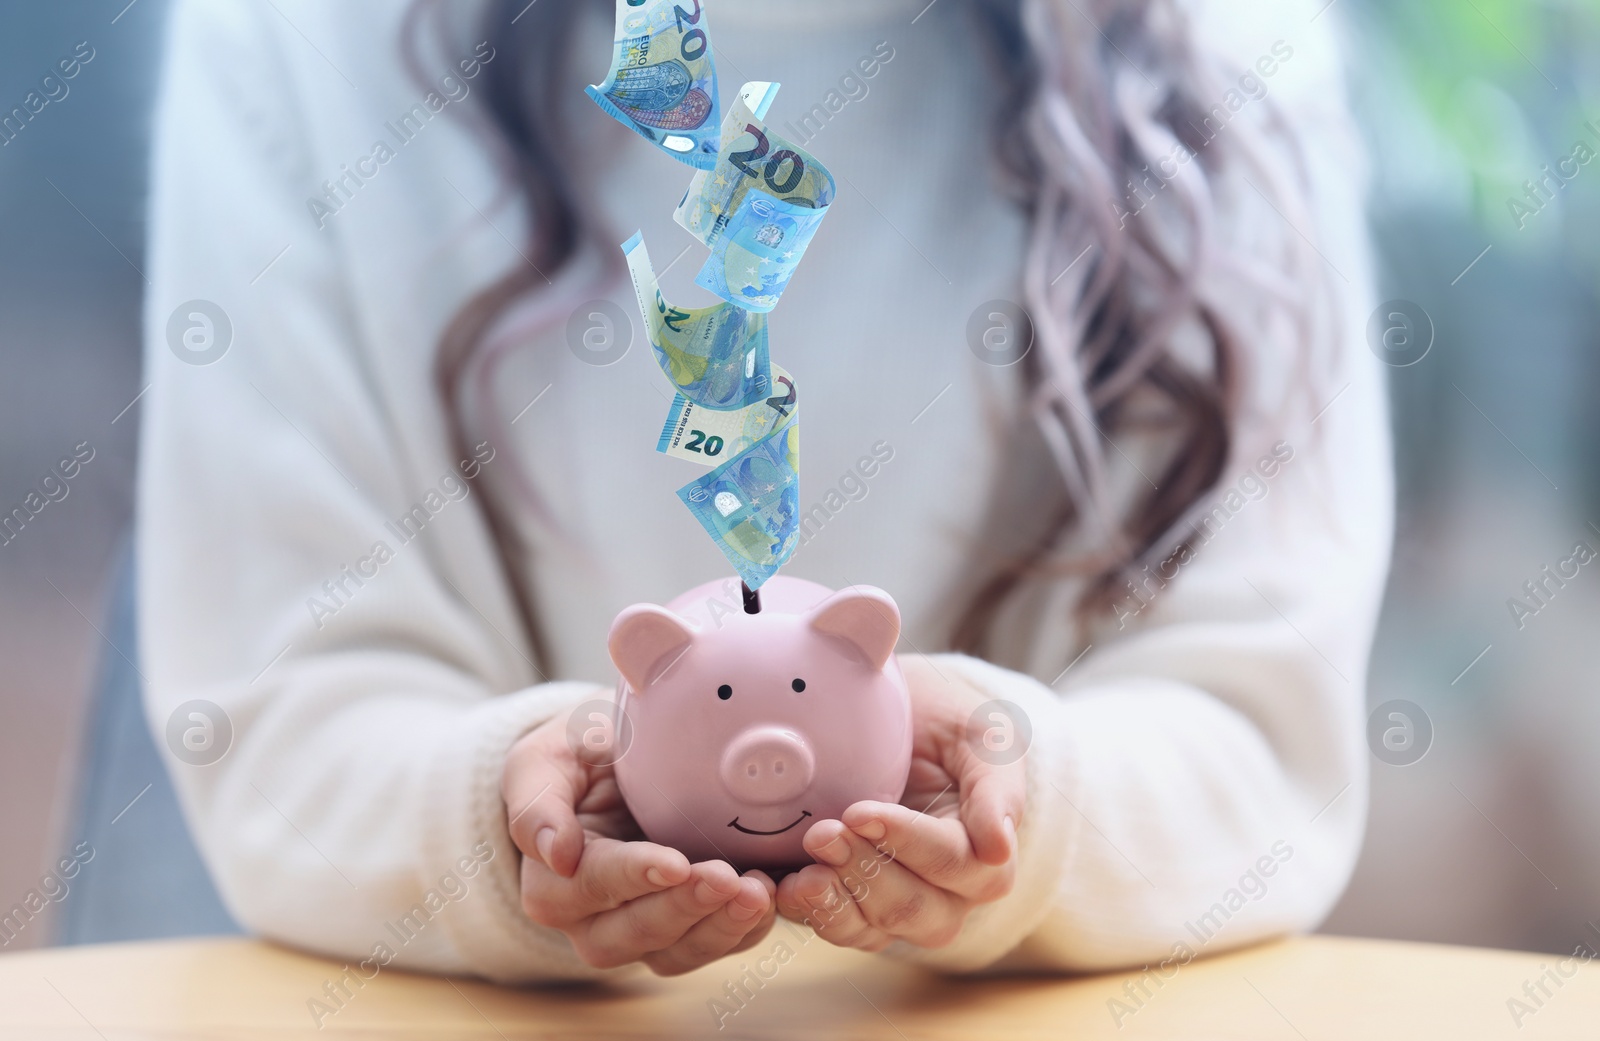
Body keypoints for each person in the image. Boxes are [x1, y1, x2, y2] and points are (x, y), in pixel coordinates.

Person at [139, 0, 1391, 981]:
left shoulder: (1226, 41)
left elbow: (1264, 743)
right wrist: (498, 816)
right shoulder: (295, 37)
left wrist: (1030, 802)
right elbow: (280, 721)